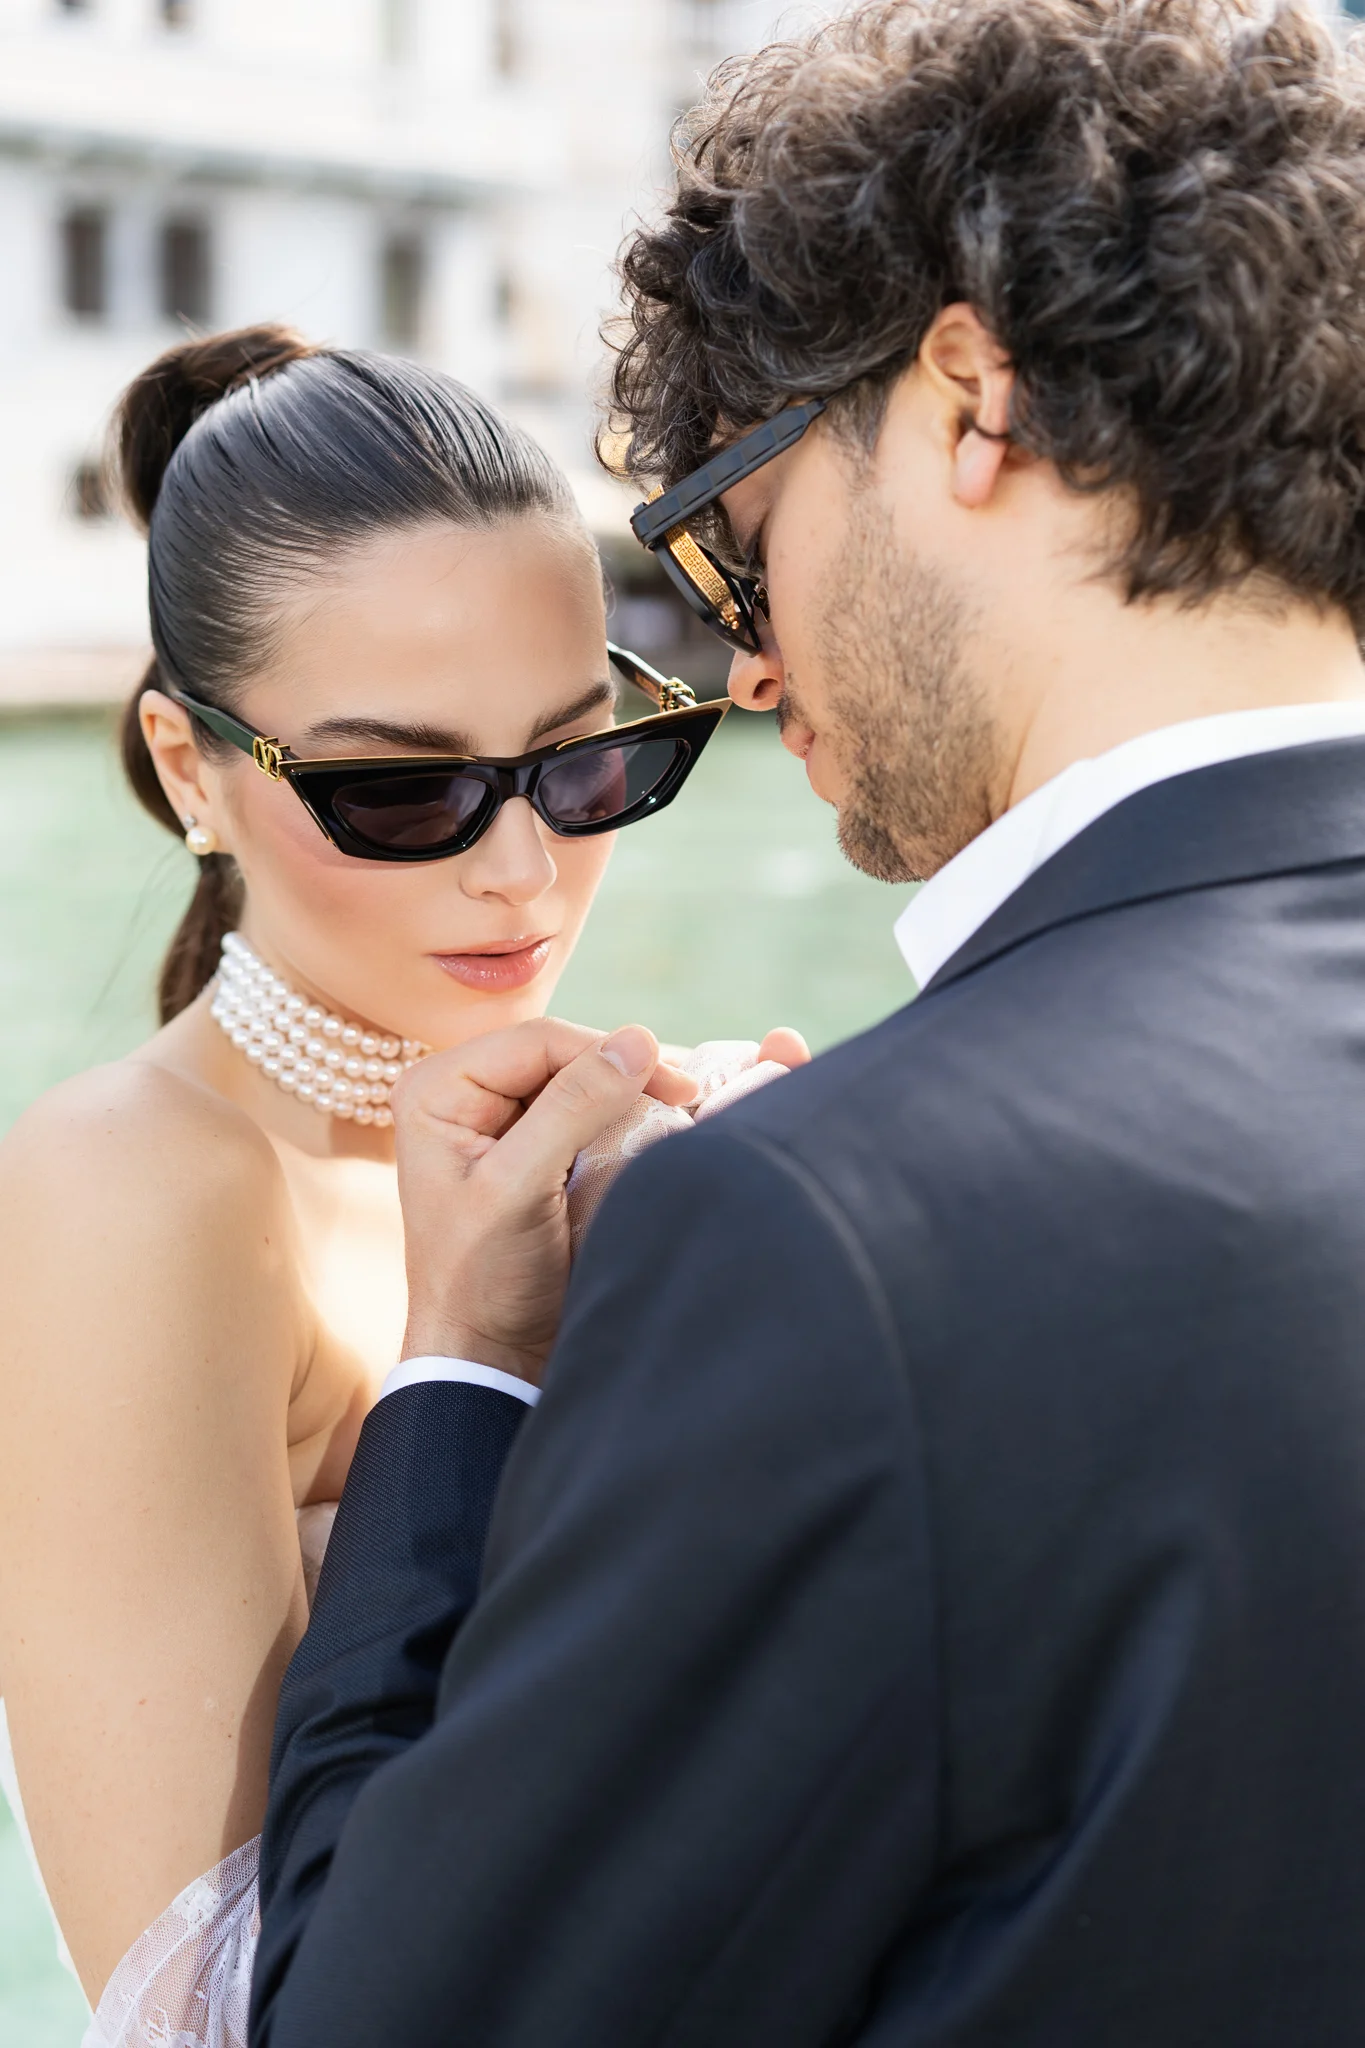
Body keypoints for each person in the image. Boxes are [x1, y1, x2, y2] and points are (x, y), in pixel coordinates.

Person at [249, 0, 1365, 2041]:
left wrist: (468, 1380)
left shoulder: (825, 1238)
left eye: (736, 550)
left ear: (965, 402)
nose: (750, 671)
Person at [0, 323, 803, 2045]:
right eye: (398, 791)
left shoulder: (604, 1150)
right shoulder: (128, 1193)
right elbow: (198, 2009)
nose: (522, 870)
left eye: (586, 763)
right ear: (185, 769)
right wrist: (480, 1353)